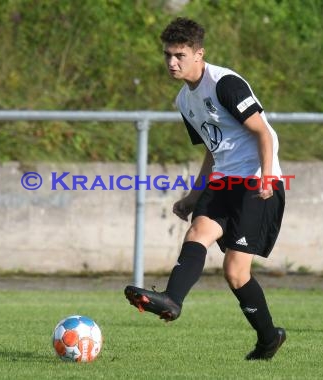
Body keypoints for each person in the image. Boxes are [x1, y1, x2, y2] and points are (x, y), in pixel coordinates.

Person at [124, 17, 287, 361]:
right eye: (167, 55)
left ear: (199, 54)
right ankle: (171, 300)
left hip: (255, 183)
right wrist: (193, 196)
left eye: (179, 55)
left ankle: (269, 338)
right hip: (224, 180)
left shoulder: (224, 84)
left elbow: (263, 133)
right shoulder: (185, 100)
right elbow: (213, 152)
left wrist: (268, 176)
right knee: (197, 232)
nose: (171, 62)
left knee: (235, 272)